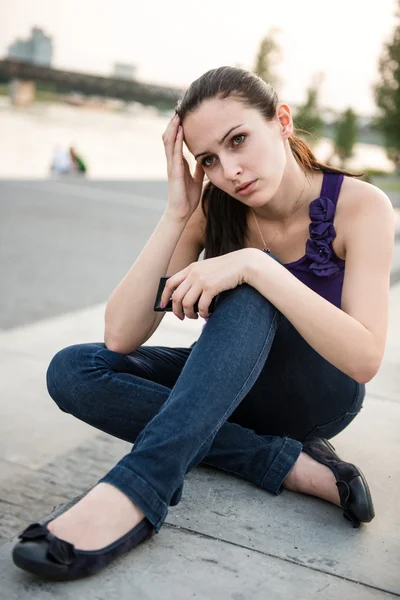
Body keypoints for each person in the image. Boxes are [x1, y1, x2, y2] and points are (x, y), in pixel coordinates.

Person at [13, 67, 394, 581]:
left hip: (317, 394)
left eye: (239, 140)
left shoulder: (362, 207)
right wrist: (176, 212)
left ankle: (137, 490)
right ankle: (280, 462)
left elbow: (365, 359)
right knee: (74, 370)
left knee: (250, 287)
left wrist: (254, 266)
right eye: (210, 159)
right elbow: (122, 335)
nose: (231, 170)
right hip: (228, 387)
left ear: (281, 121)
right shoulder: (215, 204)